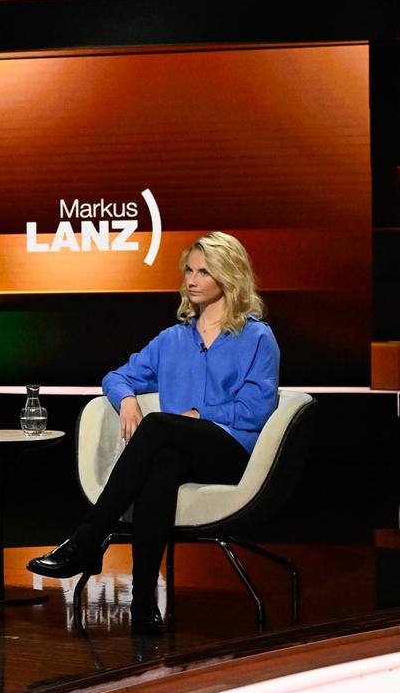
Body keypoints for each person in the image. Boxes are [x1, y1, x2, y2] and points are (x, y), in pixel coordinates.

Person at [27, 231, 280, 633]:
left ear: (229, 276)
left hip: (230, 452)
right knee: (163, 462)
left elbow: (256, 409)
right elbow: (116, 377)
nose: (192, 280)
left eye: (204, 272)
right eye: (189, 271)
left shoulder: (257, 337)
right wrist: (127, 399)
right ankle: (144, 603)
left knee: (160, 424)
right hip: (180, 450)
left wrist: (200, 414)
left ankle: (87, 540)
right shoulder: (172, 339)